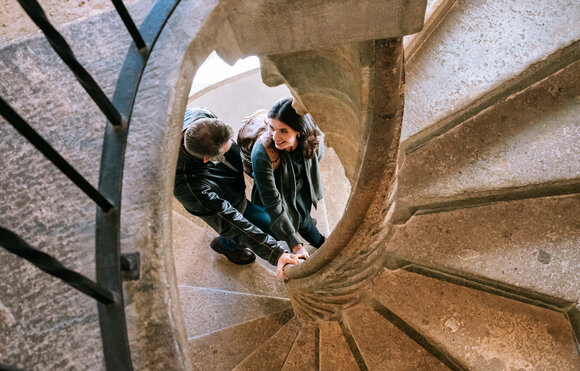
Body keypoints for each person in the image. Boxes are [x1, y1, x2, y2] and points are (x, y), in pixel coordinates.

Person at [173, 107, 303, 278]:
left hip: (231, 184)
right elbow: (229, 220)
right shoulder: (189, 188)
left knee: (275, 216)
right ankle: (227, 245)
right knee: (269, 227)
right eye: (223, 152)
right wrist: (276, 253)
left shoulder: (200, 115)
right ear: (207, 159)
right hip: (229, 200)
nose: (231, 146)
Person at [251, 97, 326, 259]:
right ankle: (227, 243)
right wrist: (295, 244)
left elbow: (317, 158)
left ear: (300, 131)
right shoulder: (262, 153)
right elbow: (271, 201)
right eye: (271, 128)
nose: (275, 137)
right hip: (276, 191)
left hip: (300, 189)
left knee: (303, 218)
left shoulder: (311, 140)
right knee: (270, 229)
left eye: (283, 131)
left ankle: (319, 241)